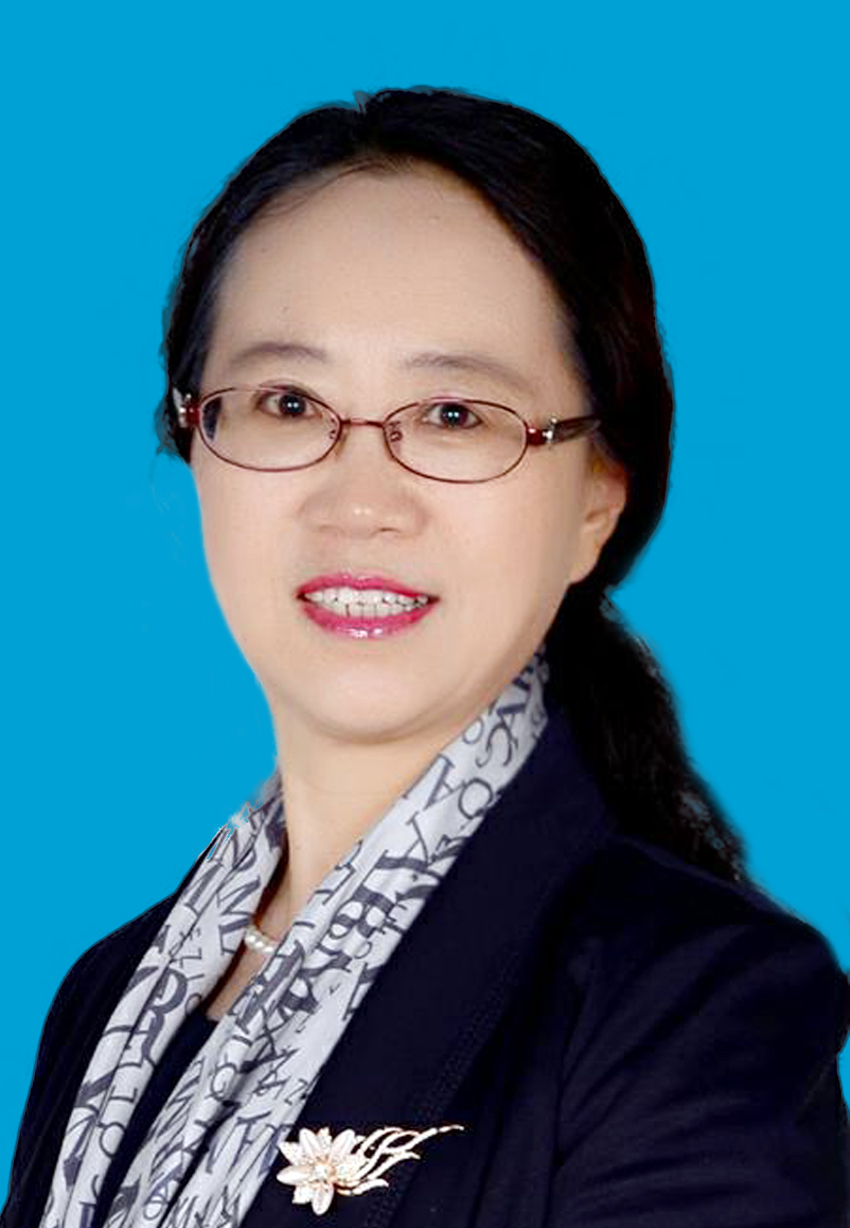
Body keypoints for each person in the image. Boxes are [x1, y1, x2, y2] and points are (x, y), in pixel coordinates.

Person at [2, 85, 848, 1228]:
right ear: (194, 440)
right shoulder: (109, 992)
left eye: (455, 415)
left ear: (597, 498)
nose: (359, 501)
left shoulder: (697, 1004)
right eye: (288, 402)